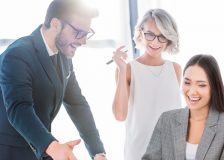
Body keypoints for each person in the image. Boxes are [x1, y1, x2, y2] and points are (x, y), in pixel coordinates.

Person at [0, 0, 107, 159]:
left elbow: (77, 104)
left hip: (42, 148)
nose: (84, 41)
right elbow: (19, 109)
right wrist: (53, 147)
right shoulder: (17, 54)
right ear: (56, 24)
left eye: (87, 34)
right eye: (78, 33)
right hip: (10, 150)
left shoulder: (64, 58)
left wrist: (98, 151)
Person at [111, 9, 182, 160]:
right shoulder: (128, 69)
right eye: (150, 34)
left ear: (169, 38)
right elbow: (120, 115)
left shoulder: (175, 69)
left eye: (162, 36)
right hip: (139, 153)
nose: (155, 42)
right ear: (140, 32)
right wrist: (122, 70)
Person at [143, 54, 224, 160]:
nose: (192, 91)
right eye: (187, 82)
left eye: (201, 85)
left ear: (213, 87)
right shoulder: (166, 120)